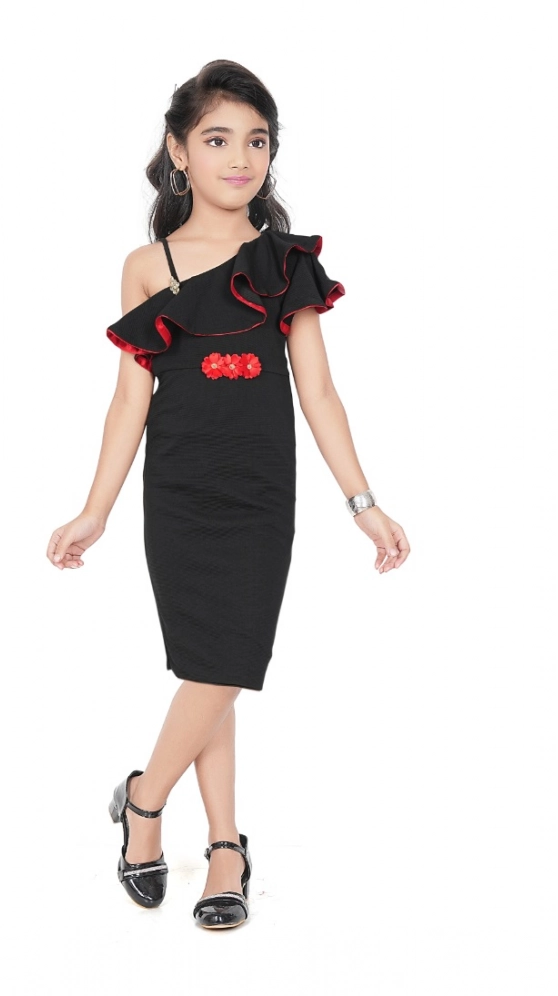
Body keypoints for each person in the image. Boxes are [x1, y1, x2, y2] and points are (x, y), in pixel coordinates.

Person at [47, 59, 410, 930]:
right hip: (178, 491)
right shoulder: (146, 265)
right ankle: (224, 848)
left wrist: (364, 504)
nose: (240, 157)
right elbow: (129, 400)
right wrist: (95, 509)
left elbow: (319, 392)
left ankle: (143, 800)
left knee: (225, 662)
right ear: (179, 151)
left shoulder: (286, 263)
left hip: (259, 494)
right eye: (217, 139)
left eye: (256, 140)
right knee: (208, 667)